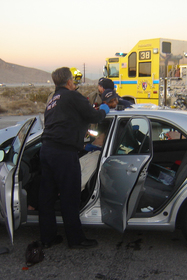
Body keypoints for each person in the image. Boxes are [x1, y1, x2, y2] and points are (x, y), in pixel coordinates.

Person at [39, 67, 109, 249]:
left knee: (47, 198)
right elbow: (94, 116)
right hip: (64, 153)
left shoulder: (53, 100)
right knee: (70, 198)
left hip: (46, 151)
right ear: (70, 82)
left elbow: (59, 122)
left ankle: (48, 238)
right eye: (74, 81)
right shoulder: (73, 96)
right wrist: (104, 109)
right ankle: (76, 240)